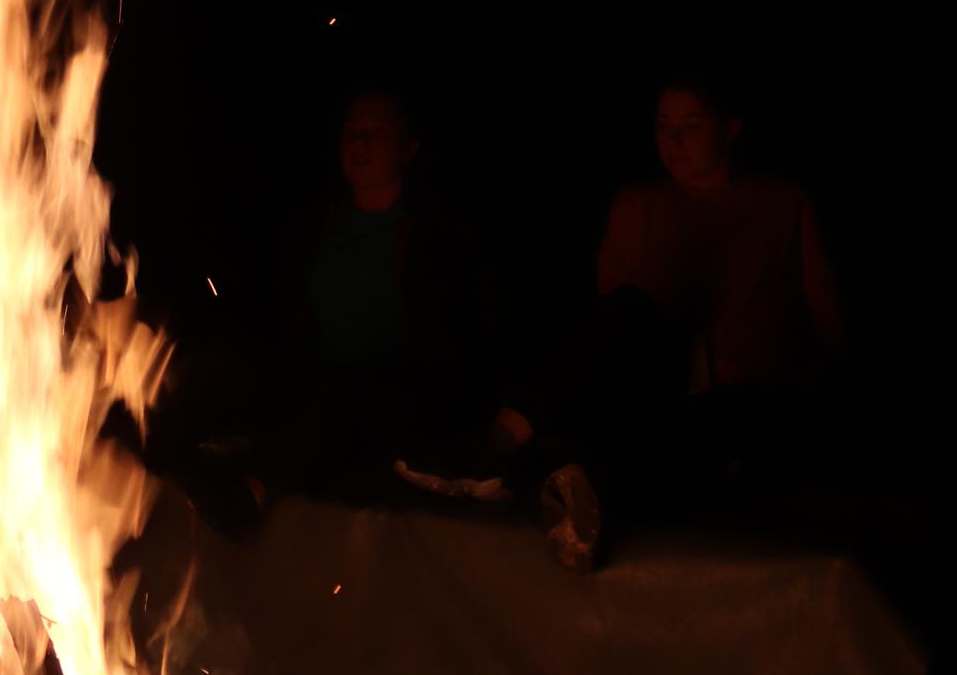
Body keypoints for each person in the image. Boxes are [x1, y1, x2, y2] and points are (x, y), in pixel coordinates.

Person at [510, 71, 845, 569]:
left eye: (690, 125)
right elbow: (613, 329)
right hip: (657, 399)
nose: (673, 139)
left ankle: (585, 492)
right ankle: (515, 444)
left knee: (710, 426)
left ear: (729, 130)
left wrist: (830, 387)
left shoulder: (780, 202)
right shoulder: (638, 205)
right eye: (663, 125)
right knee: (628, 324)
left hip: (750, 402)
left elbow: (829, 319)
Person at [267, 86, 532, 506]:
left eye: (377, 131)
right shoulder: (315, 229)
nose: (361, 142)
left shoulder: (438, 234)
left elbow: (474, 331)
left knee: (354, 401)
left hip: (407, 396)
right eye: (353, 130)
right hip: (328, 391)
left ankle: (260, 488)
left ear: (408, 149)